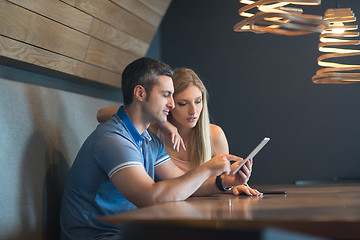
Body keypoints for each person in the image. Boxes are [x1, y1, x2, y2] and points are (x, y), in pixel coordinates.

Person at [60, 57, 252, 240]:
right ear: (140, 94)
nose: (171, 103)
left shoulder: (148, 140)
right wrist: (207, 168)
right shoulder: (114, 139)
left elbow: (182, 184)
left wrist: (225, 181)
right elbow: (151, 197)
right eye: (166, 95)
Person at [97, 68, 261, 196]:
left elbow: (220, 182)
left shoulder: (214, 135)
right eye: (183, 103)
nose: (193, 111)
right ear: (169, 102)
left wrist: (235, 183)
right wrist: (163, 124)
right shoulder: (153, 131)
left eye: (198, 102)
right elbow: (101, 114)